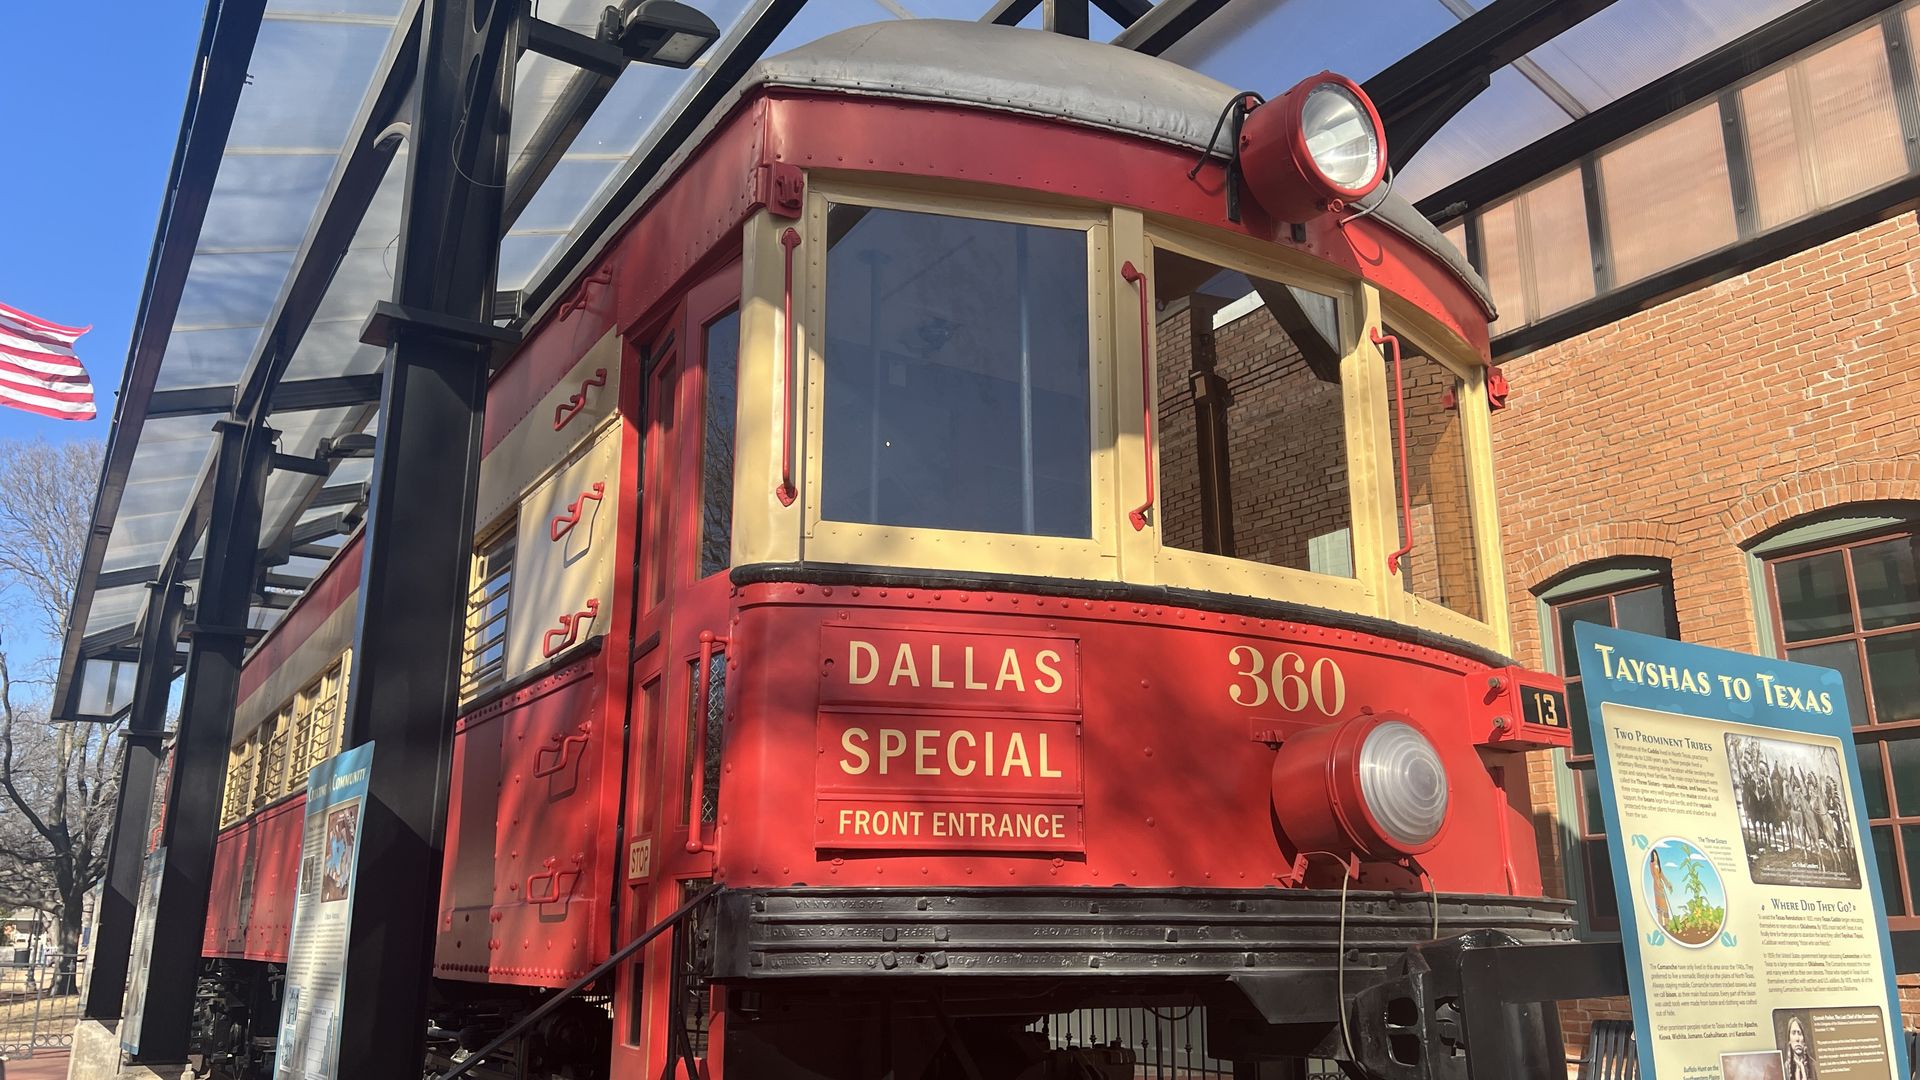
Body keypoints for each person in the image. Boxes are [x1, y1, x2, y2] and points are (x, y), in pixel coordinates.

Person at [1783, 1014, 1815, 1080]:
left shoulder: (1813, 1066)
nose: (1797, 1039)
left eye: (1799, 1033)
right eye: (1793, 1033)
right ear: (1789, 1040)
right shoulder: (1785, 1069)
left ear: (1804, 1040)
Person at [1649, 851, 1672, 928]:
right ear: (1652, 856)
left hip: (1661, 886)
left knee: (1664, 905)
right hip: (1656, 886)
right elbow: (1654, 876)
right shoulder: (1651, 864)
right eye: (1654, 855)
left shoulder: (1658, 865)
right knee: (1659, 905)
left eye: (1656, 855)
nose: (1655, 856)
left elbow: (1662, 875)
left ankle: (1667, 924)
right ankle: (1661, 925)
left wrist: (1667, 884)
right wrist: (1659, 883)